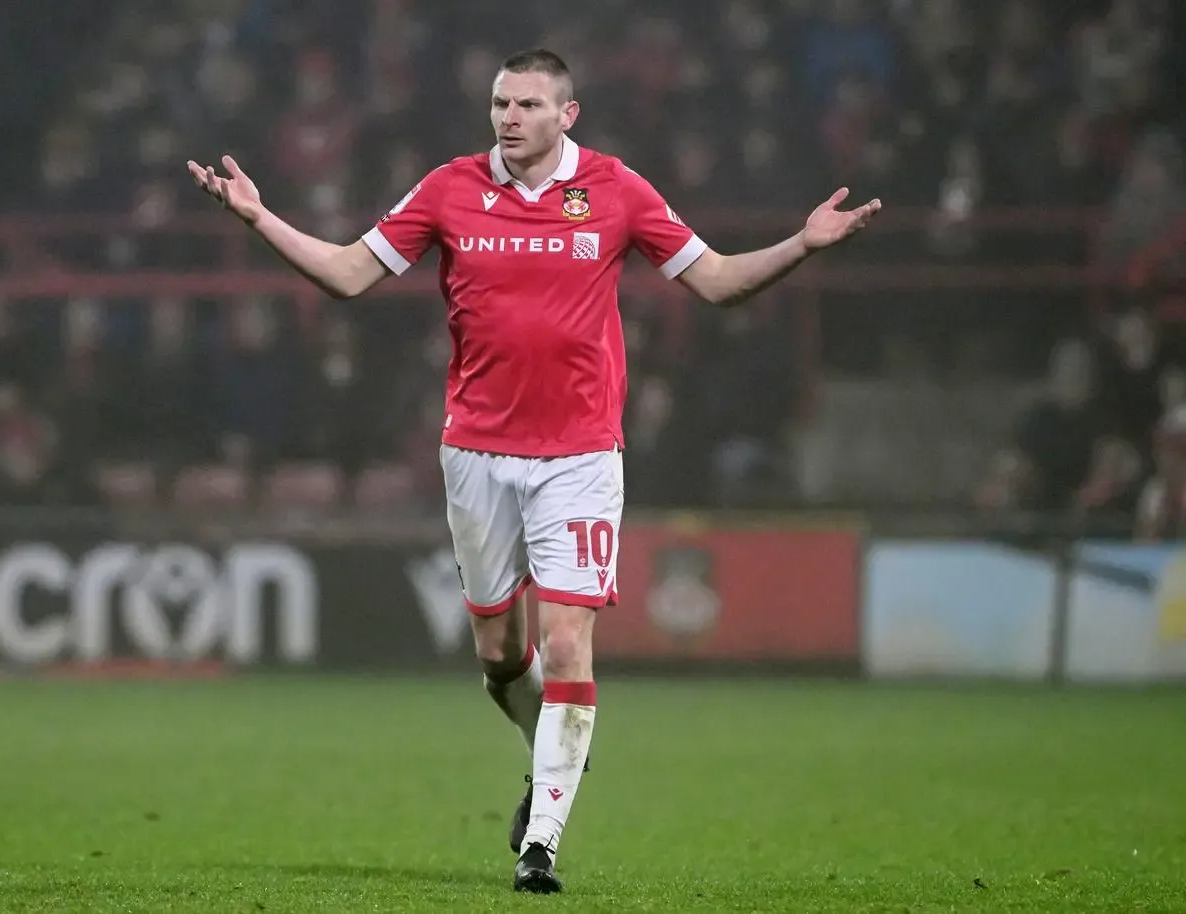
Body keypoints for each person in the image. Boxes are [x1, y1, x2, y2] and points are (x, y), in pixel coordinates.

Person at [188, 48, 881, 894]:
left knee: (566, 639)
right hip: (475, 453)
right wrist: (260, 218)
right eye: (500, 103)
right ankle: (550, 753)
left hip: (581, 457)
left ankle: (541, 841)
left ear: (568, 114)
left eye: (526, 104)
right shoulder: (448, 188)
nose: (509, 117)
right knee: (498, 654)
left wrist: (803, 246)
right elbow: (346, 274)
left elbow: (720, 282)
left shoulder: (619, 190)